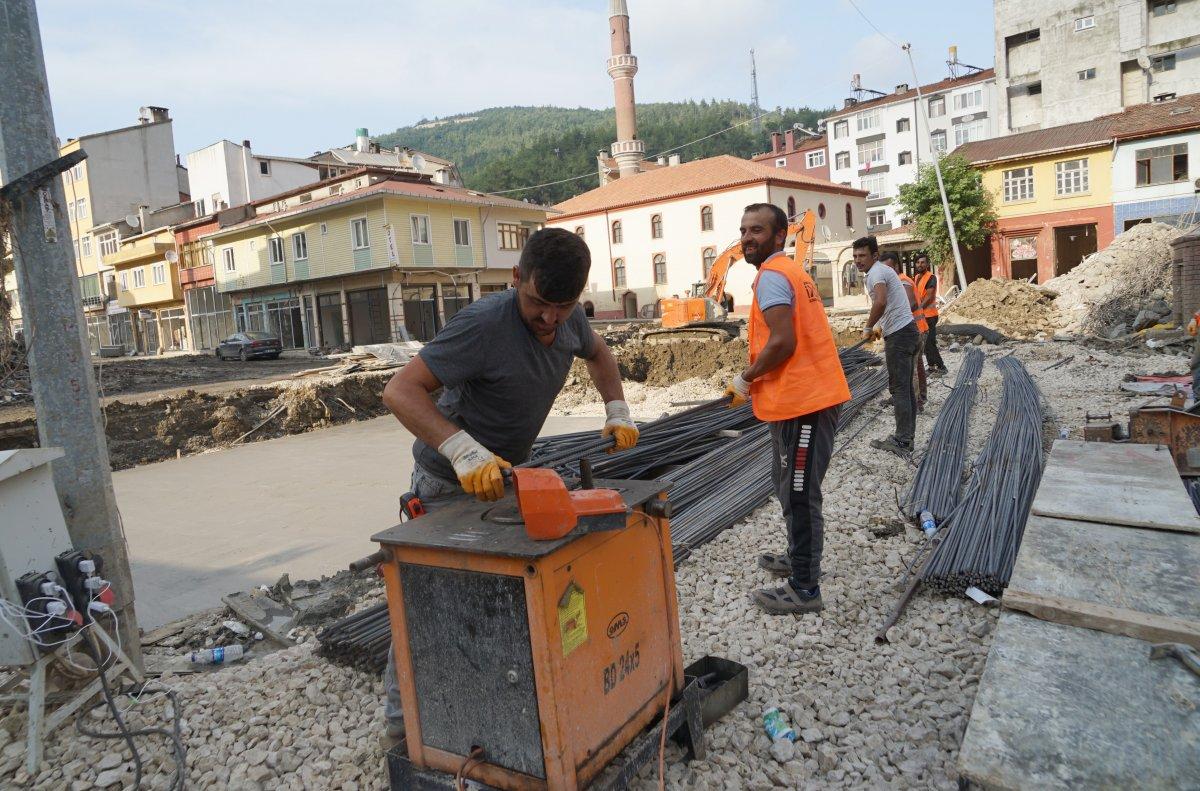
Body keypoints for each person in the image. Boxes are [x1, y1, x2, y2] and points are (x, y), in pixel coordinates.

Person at [378, 228, 640, 745]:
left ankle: (492, 705)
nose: (548, 319)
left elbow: (600, 355)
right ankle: (399, 727)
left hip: (510, 476)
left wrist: (617, 410)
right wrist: (461, 450)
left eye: (561, 308)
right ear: (516, 278)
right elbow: (399, 391)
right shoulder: (482, 324)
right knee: (429, 599)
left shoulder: (570, 320)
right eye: (538, 303)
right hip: (445, 483)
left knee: (502, 590)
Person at [725, 204, 850, 614]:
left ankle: (805, 588)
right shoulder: (791, 272)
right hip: (797, 401)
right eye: (744, 230)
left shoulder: (773, 277)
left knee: (798, 493)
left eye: (757, 230)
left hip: (805, 403)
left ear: (780, 236)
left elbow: (782, 342)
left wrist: (746, 378)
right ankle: (799, 557)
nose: (747, 237)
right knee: (787, 484)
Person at [855, 236, 919, 457]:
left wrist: (868, 326)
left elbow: (880, 301)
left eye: (862, 255)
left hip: (900, 336)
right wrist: (881, 326)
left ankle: (902, 441)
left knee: (899, 389)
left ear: (874, 256)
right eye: (855, 256)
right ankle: (907, 437)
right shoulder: (882, 270)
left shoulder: (876, 273)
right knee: (907, 388)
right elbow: (889, 303)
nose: (857, 260)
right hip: (908, 331)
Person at [883, 252, 927, 411]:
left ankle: (915, 403)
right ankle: (919, 398)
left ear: (895, 266)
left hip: (911, 330)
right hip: (916, 328)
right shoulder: (898, 281)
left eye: (887, 268)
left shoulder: (902, 281)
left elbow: (911, 304)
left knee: (911, 369)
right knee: (917, 365)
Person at [914, 254, 948, 374]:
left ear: (927, 264)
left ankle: (941, 366)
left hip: (930, 315)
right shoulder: (917, 277)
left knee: (930, 343)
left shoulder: (931, 277)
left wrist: (917, 309)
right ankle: (932, 367)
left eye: (922, 262)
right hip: (922, 315)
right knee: (926, 344)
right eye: (918, 262)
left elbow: (928, 297)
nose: (920, 264)